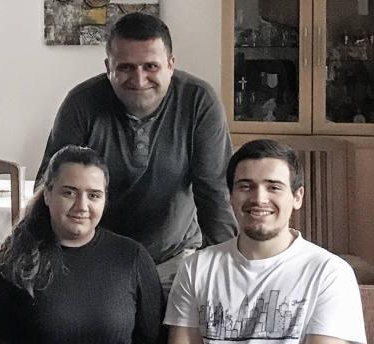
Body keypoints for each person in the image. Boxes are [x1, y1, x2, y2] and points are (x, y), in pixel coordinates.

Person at [35, 12, 237, 285]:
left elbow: (215, 195)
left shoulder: (199, 102)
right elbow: (50, 189)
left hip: (175, 258)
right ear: (109, 67)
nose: (139, 80)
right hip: (98, 259)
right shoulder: (81, 104)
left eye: (151, 67)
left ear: (170, 65)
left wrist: (227, 273)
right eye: (126, 68)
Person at [162, 139, 367, 344]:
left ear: (297, 196)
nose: (259, 198)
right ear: (231, 196)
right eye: (246, 186)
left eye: (274, 187)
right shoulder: (196, 267)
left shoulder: (330, 273)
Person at [0, 145, 164, 344]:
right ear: (48, 194)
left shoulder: (132, 257)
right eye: (69, 193)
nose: (82, 206)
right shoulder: (16, 255)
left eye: (94, 195)